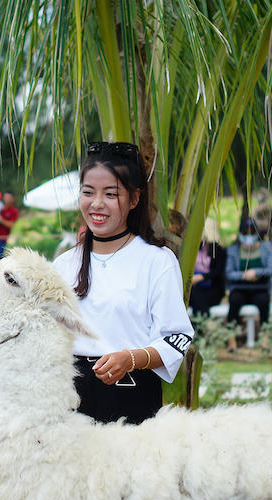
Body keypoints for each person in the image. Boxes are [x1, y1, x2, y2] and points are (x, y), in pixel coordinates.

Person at [52, 141, 193, 425]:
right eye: (88, 192)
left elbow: (176, 338)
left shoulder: (157, 260)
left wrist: (130, 359)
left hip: (133, 400)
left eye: (111, 194)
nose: (97, 204)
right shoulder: (63, 265)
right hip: (68, 399)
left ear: (134, 199)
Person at [225, 218, 272, 351]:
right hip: (240, 288)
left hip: (260, 288)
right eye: (245, 233)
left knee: (264, 302)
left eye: (251, 233)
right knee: (234, 302)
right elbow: (229, 273)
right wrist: (244, 276)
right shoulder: (233, 250)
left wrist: (256, 273)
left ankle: (265, 339)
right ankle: (232, 340)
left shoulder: (266, 247)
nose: (248, 237)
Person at [189, 217, 226, 318]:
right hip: (194, 288)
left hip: (212, 289)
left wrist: (201, 277)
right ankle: (204, 325)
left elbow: (217, 272)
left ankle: (202, 326)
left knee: (197, 297)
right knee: (194, 294)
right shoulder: (192, 248)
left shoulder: (219, 250)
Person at [0, 192, 20, 259]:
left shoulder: (13, 211)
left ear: (12, 199)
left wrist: (1, 220)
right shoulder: (0, 208)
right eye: (5, 197)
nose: (6, 199)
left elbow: (11, 225)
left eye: (8, 197)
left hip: (3, 239)